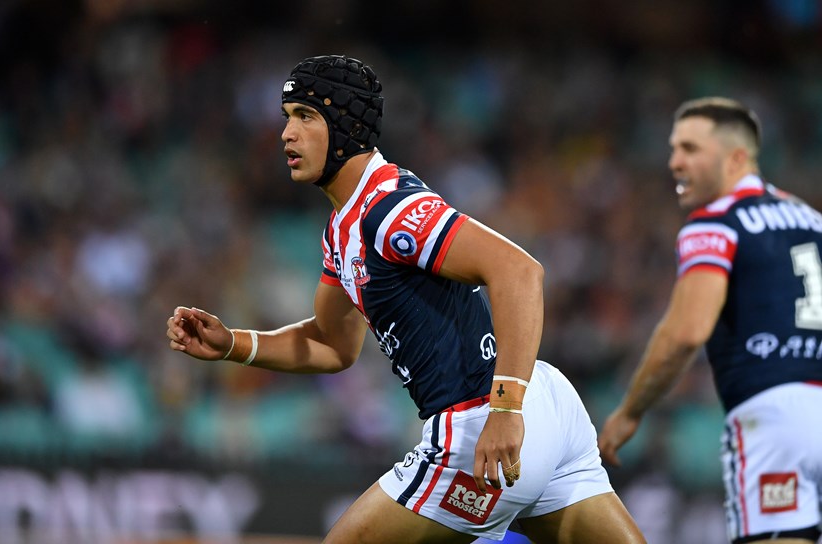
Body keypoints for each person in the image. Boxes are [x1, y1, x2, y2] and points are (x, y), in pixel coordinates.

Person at [166, 55, 644, 543]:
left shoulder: (389, 209)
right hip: (544, 407)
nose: (287, 134)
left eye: (305, 116)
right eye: (287, 117)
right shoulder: (342, 228)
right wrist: (232, 344)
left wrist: (505, 409)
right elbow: (333, 345)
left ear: (345, 125)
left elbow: (519, 271)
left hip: (486, 415)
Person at [598, 97, 822, 544]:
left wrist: (630, 411)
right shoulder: (813, 220)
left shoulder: (715, 223)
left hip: (773, 416)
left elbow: (686, 332)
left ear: (737, 157)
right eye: (674, 148)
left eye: (691, 149)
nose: (675, 162)